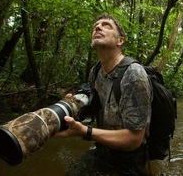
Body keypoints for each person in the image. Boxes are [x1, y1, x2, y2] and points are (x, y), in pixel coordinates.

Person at [55, 13, 152, 175]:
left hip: (130, 160)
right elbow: (94, 107)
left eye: (107, 25)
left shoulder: (134, 75)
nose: (98, 27)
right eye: (96, 26)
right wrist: (75, 107)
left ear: (120, 41)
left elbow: (135, 139)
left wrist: (86, 132)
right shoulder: (96, 70)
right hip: (102, 150)